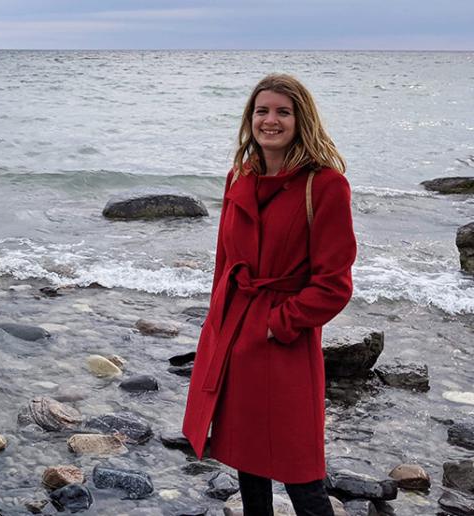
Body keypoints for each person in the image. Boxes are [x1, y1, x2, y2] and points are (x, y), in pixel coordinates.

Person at [182, 73, 357, 516]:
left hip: (285, 341)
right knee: (247, 458)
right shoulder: (239, 175)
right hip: (236, 331)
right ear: (250, 118)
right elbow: (224, 261)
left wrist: (278, 324)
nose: (271, 120)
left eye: (283, 111)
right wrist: (218, 327)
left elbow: (334, 285)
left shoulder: (326, 185)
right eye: (262, 111)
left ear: (302, 119)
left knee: (302, 470)